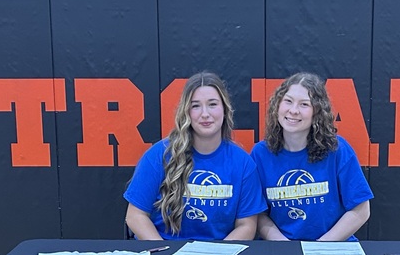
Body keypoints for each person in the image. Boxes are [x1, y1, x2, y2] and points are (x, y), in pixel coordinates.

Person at [124, 72, 265, 241]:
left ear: (225, 109)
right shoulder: (159, 155)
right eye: (195, 106)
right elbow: (135, 216)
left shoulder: (243, 164)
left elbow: (247, 225)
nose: (205, 114)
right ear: (186, 112)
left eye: (212, 104)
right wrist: (164, 254)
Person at [251, 72, 373, 241]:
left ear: (317, 112)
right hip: (281, 251)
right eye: (288, 101)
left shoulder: (337, 149)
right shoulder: (260, 154)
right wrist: (283, 245)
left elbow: (361, 210)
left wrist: (320, 247)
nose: (293, 110)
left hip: (331, 248)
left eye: (304, 104)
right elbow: (258, 214)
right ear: (277, 105)